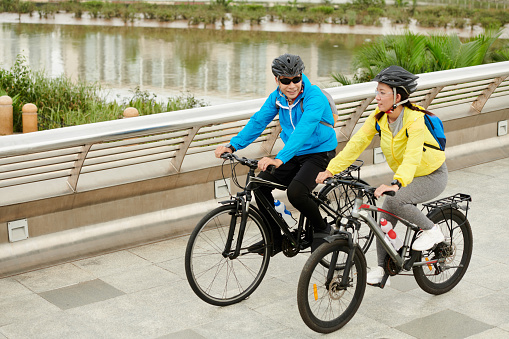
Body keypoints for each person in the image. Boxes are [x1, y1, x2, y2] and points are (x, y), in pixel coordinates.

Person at [315, 65, 448, 285]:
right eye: (377, 91)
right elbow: (356, 144)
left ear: (398, 96)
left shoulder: (414, 119)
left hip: (432, 174)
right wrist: (331, 169)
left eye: (382, 92)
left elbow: (413, 156)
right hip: (407, 176)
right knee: (383, 217)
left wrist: (397, 184)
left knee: (398, 199)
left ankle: (432, 231)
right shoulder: (379, 118)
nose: (377, 97)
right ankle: (381, 267)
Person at [215, 53, 338, 255]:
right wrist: (233, 146)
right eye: (286, 81)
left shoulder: (314, 96)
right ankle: (274, 238)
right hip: (293, 153)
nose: (292, 85)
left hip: (319, 152)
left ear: (301, 76)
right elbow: (258, 122)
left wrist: (280, 158)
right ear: (277, 80)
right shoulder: (277, 98)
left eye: (296, 79)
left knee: (296, 193)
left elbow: (304, 129)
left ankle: (322, 229)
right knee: (259, 186)